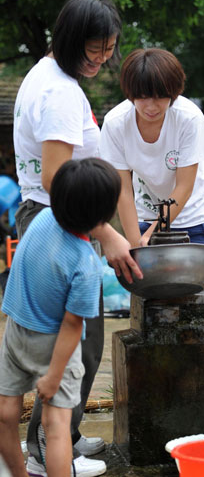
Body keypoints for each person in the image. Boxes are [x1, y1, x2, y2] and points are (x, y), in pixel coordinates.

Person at [13, 0, 142, 477]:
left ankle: (63, 433)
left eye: (108, 49)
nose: (103, 58)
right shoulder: (61, 93)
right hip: (58, 223)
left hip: (53, 220)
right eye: (95, 49)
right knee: (73, 343)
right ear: (70, 41)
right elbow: (54, 178)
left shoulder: (46, 75)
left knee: (77, 337)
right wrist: (105, 231)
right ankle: (47, 452)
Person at [0, 158, 121, 477]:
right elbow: (71, 325)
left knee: (5, 414)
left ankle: (19, 474)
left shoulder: (39, 221)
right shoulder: (85, 264)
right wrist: (54, 376)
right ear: (104, 216)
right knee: (55, 428)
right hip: (53, 348)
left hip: (15, 332)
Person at [100, 48, 204, 328]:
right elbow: (122, 190)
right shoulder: (115, 123)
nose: (151, 106)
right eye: (142, 96)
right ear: (130, 92)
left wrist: (152, 233)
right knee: (156, 310)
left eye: (160, 96)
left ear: (175, 92)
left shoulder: (188, 117)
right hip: (146, 217)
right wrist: (136, 243)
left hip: (198, 219)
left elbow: (184, 186)